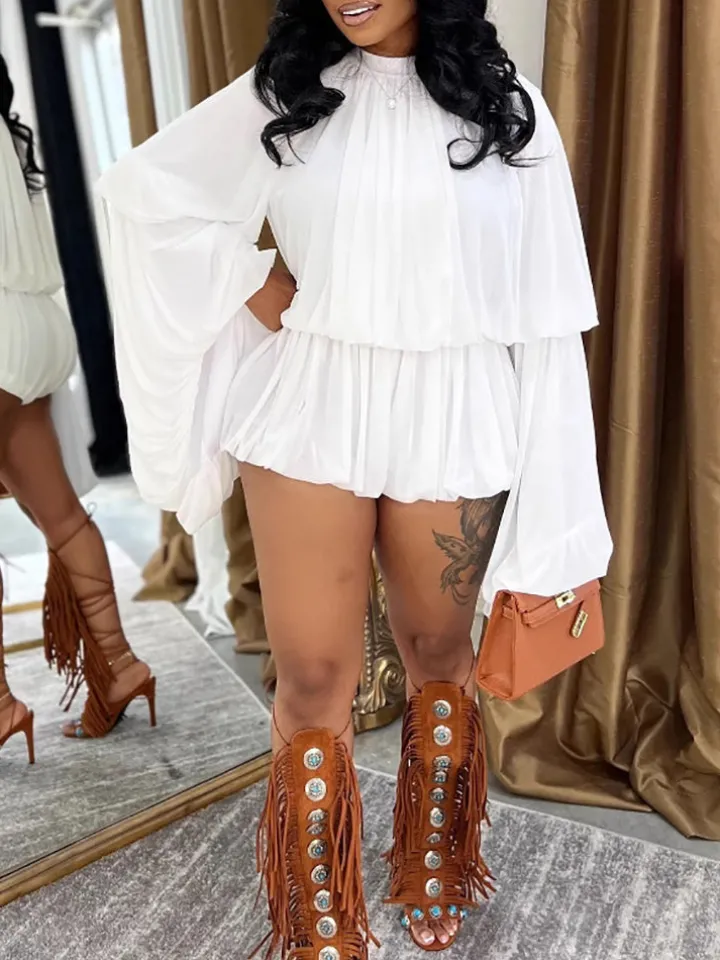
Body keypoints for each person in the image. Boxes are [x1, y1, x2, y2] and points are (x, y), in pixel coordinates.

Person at [97, 0, 612, 953]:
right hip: (312, 399)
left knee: (439, 653)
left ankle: (434, 855)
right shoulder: (286, 93)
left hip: (453, 402)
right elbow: (146, 192)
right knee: (312, 676)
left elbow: (548, 315)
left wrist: (559, 507)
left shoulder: (508, 110)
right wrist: (251, 277)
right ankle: (319, 910)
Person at [0, 53, 155, 757]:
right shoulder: (9, 132)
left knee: (57, 515)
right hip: (31, 325)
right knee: (61, 514)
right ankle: (120, 667)